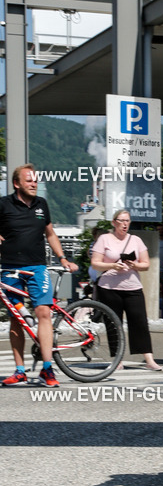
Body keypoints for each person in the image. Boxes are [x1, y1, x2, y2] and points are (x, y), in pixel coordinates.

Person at [0, 164, 78, 387]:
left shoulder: (41, 204)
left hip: (37, 267)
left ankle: (47, 369)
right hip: (10, 268)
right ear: (17, 183)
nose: (34, 184)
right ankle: (20, 371)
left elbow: (50, 233)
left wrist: (63, 258)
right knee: (17, 318)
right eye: (29, 180)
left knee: (43, 312)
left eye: (35, 180)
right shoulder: (4, 204)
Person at [90, 210, 162, 371]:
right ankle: (117, 359)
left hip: (132, 286)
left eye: (127, 221)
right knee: (113, 323)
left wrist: (134, 265)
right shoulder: (104, 239)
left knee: (140, 322)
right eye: (121, 221)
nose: (125, 224)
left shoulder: (135, 240)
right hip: (109, 287)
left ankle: (149, 359)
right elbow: (95, 263)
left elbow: (146, 264)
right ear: (114, 222)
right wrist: (112, 265)